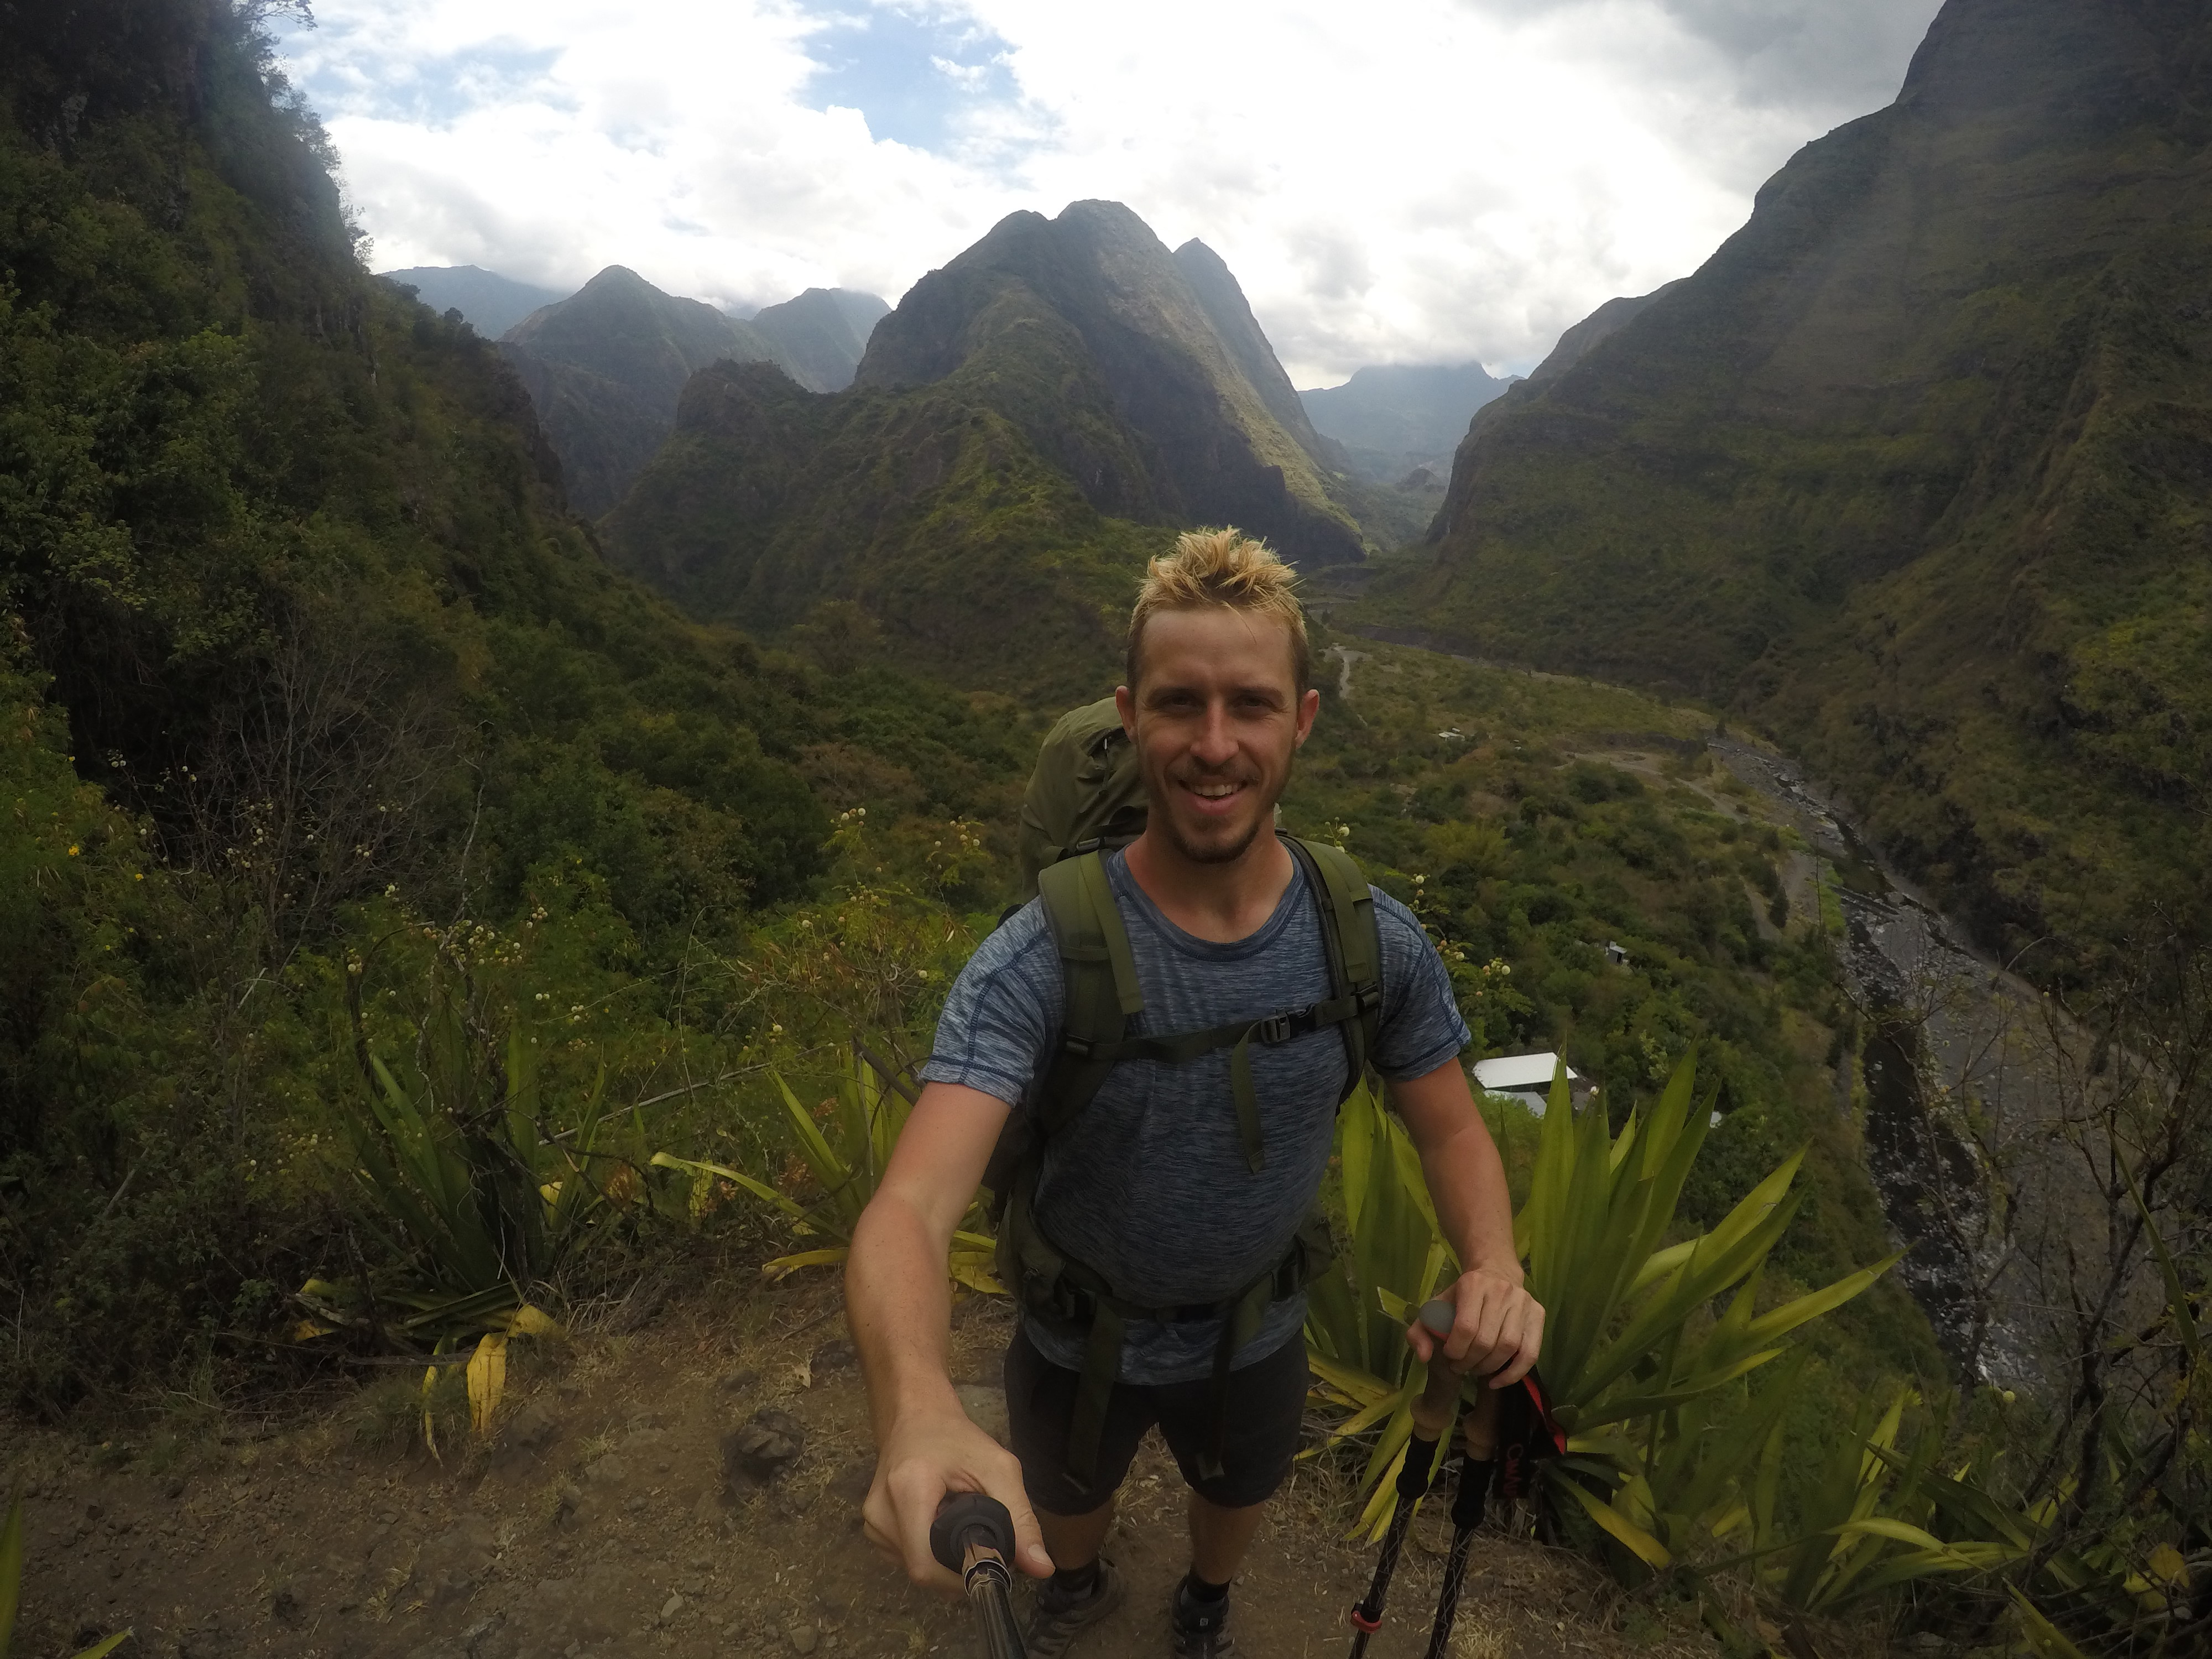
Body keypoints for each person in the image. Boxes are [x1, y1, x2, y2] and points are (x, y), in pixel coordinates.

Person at [846, 529, 1545, 1658]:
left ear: (1301, 720)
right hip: (1081, 1338)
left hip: (1256, 1327)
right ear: (1130, 715)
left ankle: (1205, 1604)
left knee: (1238, 1497)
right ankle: (1075, 1586)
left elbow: (1451, 1126)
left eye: (1250, 706)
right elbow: (908, 1211)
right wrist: (918, 1405)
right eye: (1179, 704)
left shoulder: (1366, 942)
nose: (1213, 745)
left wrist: (1493, 1265)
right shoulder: (1038, 961)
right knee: (1068, 1519)